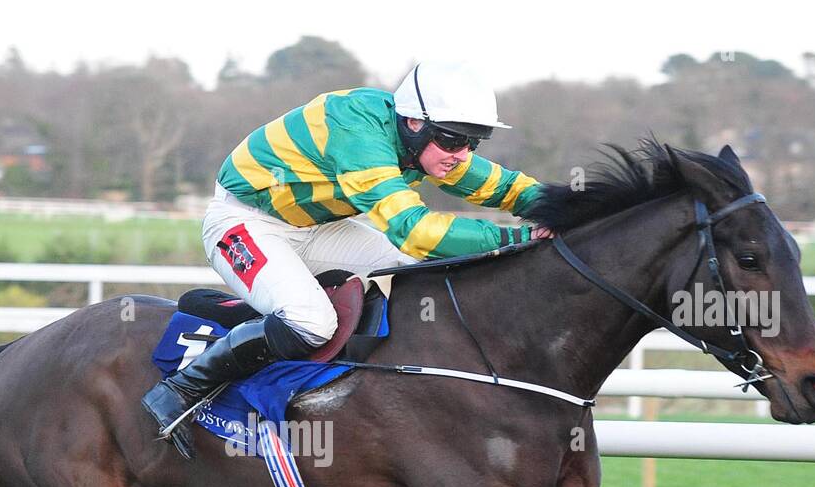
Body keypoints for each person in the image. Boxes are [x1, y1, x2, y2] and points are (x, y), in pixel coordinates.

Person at [143, 61, 548, 457]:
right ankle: (180, 390)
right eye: (455, 141)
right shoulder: (357, 129)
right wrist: (519, 237)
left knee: (421, 275)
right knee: (312, 322)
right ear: (413, 124)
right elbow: (414, 231)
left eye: (472, 143)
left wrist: (575, 208)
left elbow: (506, 188)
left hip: (316, 228)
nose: (463, 154)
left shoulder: (427, 142)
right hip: (244, 221)